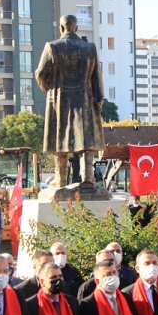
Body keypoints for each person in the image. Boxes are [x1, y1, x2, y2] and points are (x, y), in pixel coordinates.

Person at [35, 14, 105, 187]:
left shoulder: (52, 47)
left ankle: (61, 180)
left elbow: (40, 74)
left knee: (60, 139)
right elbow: (97, 77)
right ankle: (88, 177)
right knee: (86, 140)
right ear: (76, 28)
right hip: (85, 98)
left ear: (61, 28)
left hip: (60, 98)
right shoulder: (90, 48)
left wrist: (50, 89)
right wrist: (99, 97)